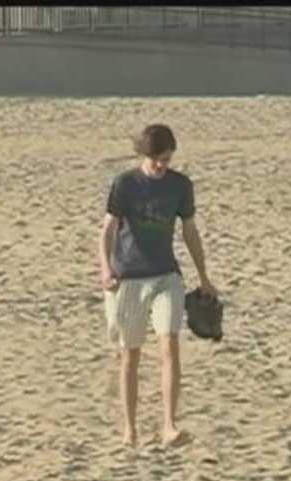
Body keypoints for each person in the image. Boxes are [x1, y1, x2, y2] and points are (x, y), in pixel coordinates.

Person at [98, 124, 217, 448]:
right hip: (129, 277)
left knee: (170, 345)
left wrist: (204, 277)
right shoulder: (124, 184)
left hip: (166, 275)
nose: (162, 165)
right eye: (156, 159)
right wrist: (105, 268)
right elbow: (108, 229)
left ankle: (168, 425)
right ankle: (130, 428)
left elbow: (190, 231)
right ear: (143, 155)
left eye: (167, 158)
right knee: (130, 355)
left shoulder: (180, 186)